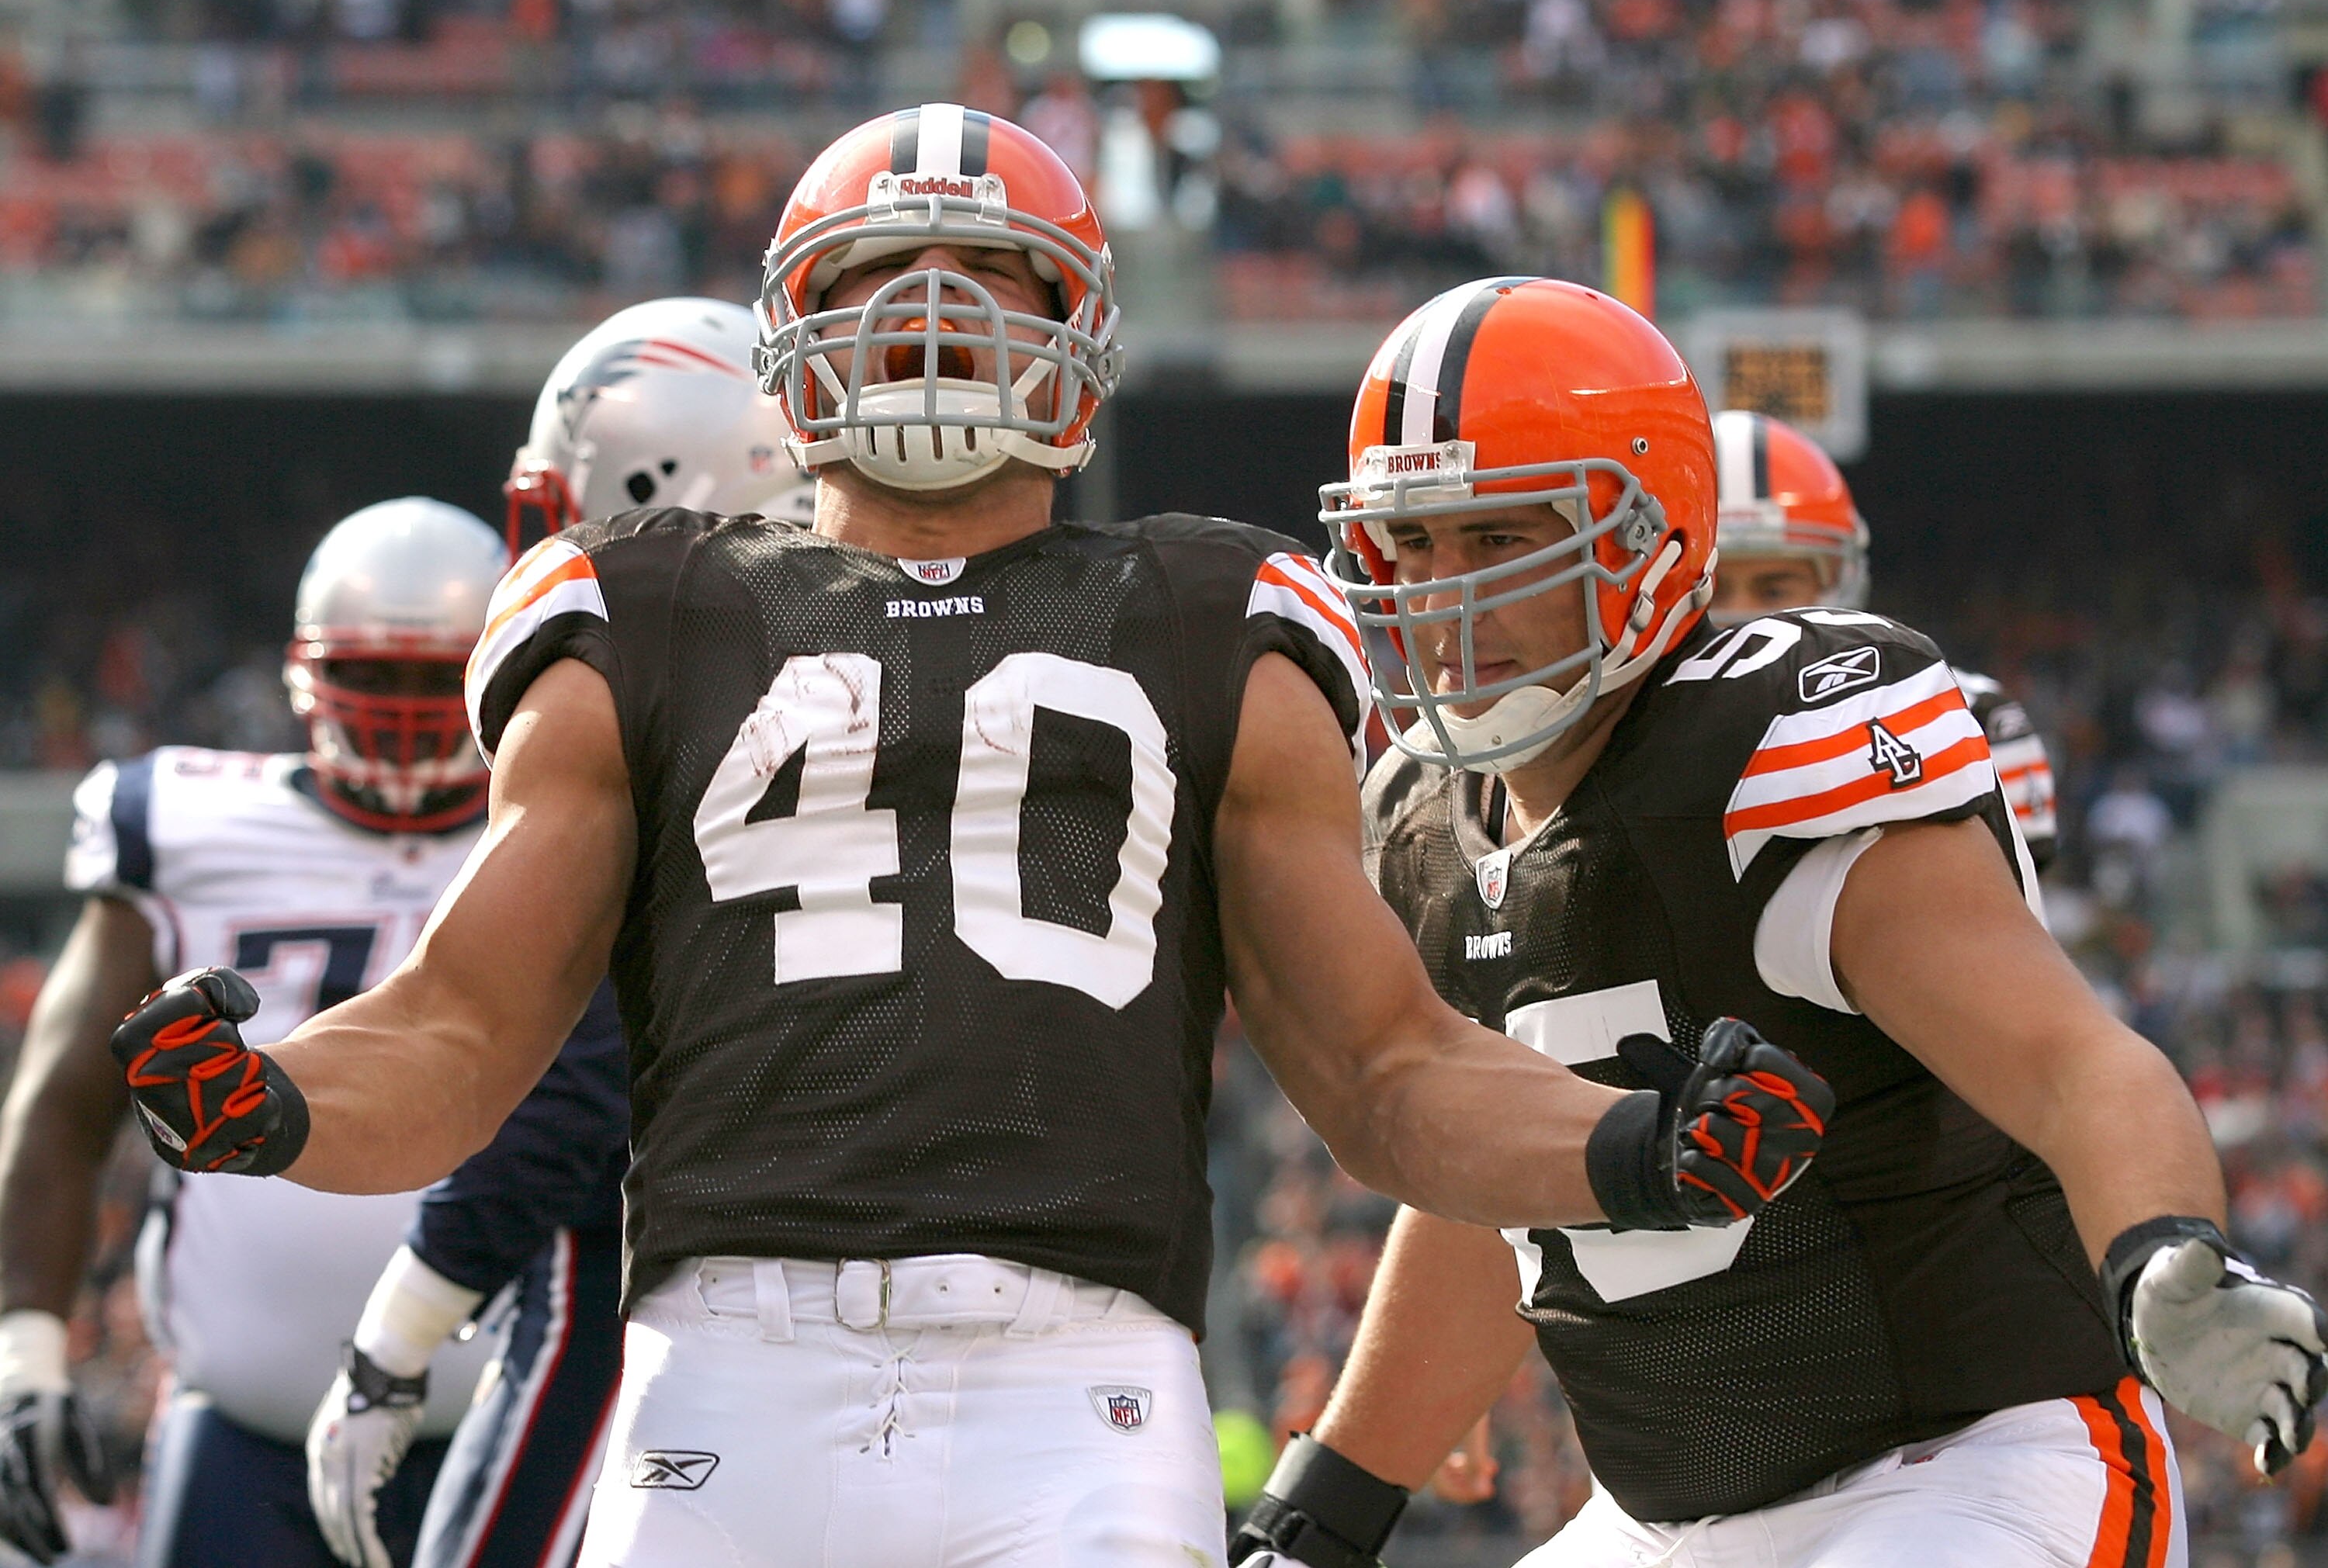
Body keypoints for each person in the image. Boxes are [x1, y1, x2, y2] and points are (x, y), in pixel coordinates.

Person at [108, 109, 1831, 1568]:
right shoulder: (639, 611)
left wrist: (1630, 1144)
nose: (933, 323)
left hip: (1074, 1384)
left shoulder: (1212, 608)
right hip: (724, 1367)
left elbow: (1385, 1068)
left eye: (991, 282)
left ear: (1080, 329)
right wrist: (285, 1100)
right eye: (878, 282)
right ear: (793, 335)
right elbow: (465, 1023)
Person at [1228, 277, 2328, 1568]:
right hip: (1654, 1516)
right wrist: (1331, 1506)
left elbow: (2069, 1058)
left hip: (1960, 1469)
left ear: (1645, 537)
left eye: (1495, 540)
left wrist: (2161, 1250)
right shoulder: (1419, 819)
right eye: (1409, 546)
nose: (1442, 601)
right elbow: (1492, 1187)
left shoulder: (1770, 756)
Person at [306, 296, 823, 1568]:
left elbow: (572, 1072)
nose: (536, 549)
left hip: (653, 1284)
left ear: (666, 485)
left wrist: (404, 1322)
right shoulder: (920, 663)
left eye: (557, 509)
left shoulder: (657, 704)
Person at [0, 500, 507, 1568]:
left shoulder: (580, 822)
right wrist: (26, 1347)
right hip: (248, 1430)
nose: (411, 713)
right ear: (307, 675)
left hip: (527, 1421)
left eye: (439, 678)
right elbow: (62, 1093)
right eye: (376, 676)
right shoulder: (184, 820)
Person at [1707, 407, 2057, 865]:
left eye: (1774, 588)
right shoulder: (1609, 729)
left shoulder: (1968, 720)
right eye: (1711, 587)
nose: (1743, 616)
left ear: (1840, 583)